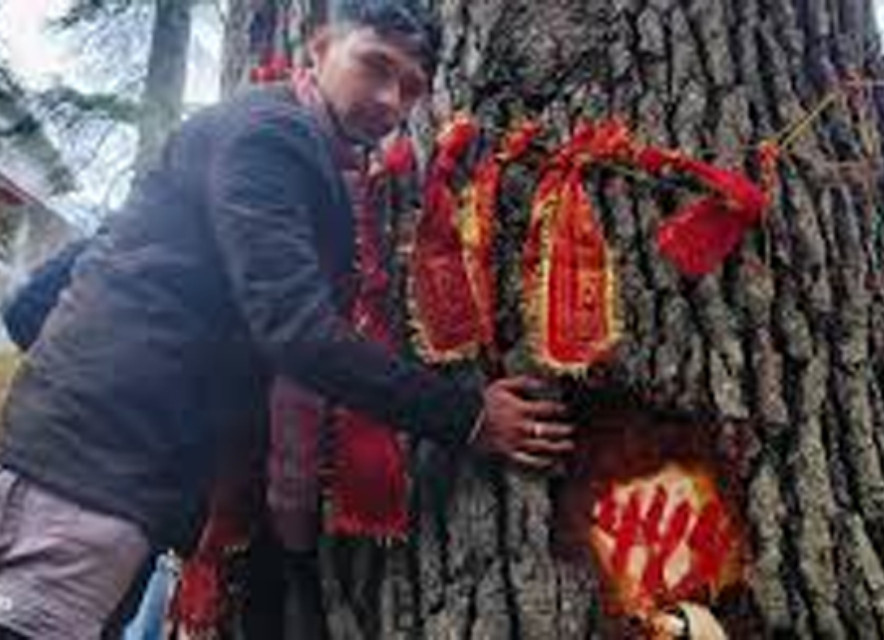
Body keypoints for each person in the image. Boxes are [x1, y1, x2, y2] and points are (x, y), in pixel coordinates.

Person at [0, 1, 576, 638]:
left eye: (412, 88)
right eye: (375, 66)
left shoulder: (228, 138)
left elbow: (32, 305)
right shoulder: (271, 138)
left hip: (70, 463)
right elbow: (298, 332)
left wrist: (78, 385)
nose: (390, 100)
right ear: (320, 45)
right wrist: (468, 417)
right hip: (91, 478)